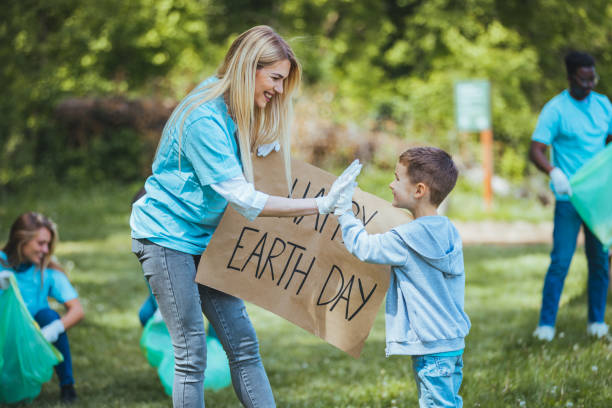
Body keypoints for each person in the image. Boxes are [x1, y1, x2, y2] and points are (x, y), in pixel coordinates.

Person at [130, 25, 362, 408]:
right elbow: (246, 200)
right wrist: (321, 204)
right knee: (190, 352)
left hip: (206, 238)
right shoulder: (204, 118)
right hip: (166, 238)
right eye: (274, 78)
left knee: (243, 343)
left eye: (283, 82)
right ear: (248, 67)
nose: (277, 90)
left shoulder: (234, 108)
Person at [332, 147, 470, 408]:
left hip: (430, 348)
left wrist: (343, 211)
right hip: (451, 344)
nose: (390, 184)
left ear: (419, 190)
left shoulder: (406, 240)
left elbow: (363, 247)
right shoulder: (449, 230)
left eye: (397, 178)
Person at [529, 50, 612, 341]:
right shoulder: (556, 109)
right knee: (560, 261)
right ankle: (546, 325)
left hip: (597, 199)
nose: (589, 85)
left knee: (600, 260)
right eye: (584, 79)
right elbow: (536, 149)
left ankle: (596, 321)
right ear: (570, 77)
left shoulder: (603, 106)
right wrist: (554, 171)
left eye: (593, 79)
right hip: (568, 197)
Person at [0, 212, 84, 404]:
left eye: (48, 244)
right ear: (22, 240)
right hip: (3, 335)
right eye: (40, 243)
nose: (46, 250)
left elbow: (77, 310)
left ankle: (67, 386)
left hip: (31, 337)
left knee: (49, 316)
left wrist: (53, 330)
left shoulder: (47, 271)